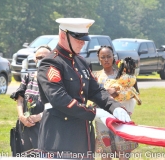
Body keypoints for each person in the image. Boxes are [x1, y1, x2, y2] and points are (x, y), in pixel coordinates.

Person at [36, 18, 131, 159]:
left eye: (84, 38)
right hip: (58, 139)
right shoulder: (51, 62)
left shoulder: (82, 62)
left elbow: (96, 91)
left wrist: (115, 106)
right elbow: (59, 99)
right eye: (77, 38)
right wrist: (95, 113)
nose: (83, 42)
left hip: (82, 138)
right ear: (63, 35)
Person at [93, 46, 139, 160]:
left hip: (120, 115)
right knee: (106, 151)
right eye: (103, 57)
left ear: (113, 57)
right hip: (102, 118)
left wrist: (119, 93)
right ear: (99, 59)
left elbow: (133, 92)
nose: (106, 59)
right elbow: (92, 94)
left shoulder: (122, 75)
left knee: (123, 150)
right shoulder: (95, 76)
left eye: (109, 56)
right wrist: (108, 92)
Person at [10, 45, 51, 156]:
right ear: (34, 60)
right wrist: (21, 117)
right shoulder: (28, 77)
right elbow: (19, 100)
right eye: (39, 57)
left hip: (44, 129)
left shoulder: (55, 81)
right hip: (25, 128)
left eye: (44, 57)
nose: (41, 60)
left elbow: (57, 105)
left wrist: (38, 117)